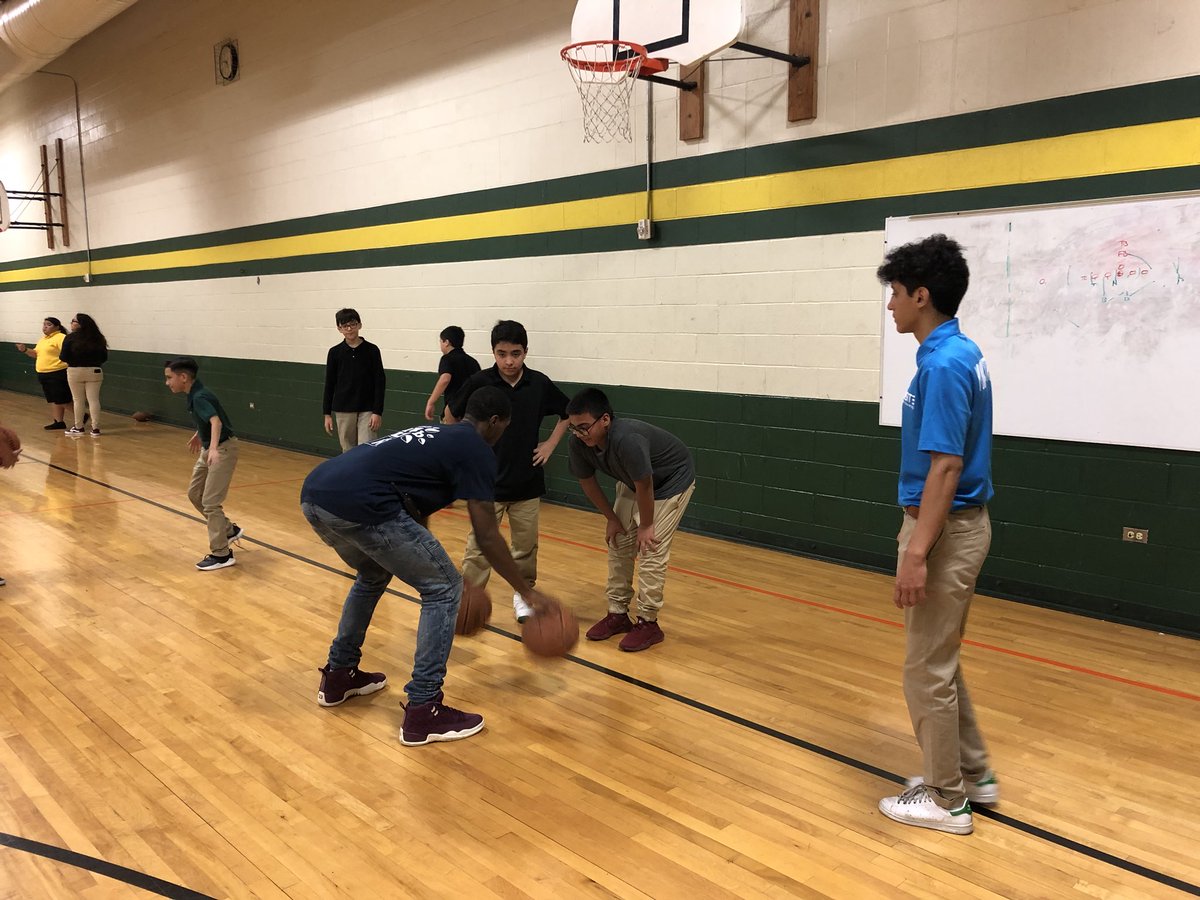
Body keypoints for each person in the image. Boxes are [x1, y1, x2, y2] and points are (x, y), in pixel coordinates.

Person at [301, 386, 557, 746]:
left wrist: (438, 564)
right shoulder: (477, 450)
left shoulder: (440, 435)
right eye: (504, 428)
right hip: (362, 503)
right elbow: (487, 534)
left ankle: (340, 674)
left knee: (373, 574)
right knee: (443, 590)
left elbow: (413, 512)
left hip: (317, 494)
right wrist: (527, 592)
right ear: (496, 422)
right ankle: (423, 711)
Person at [874, 234, 996, 836]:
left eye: (895, 294)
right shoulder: (955, 352)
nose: (890, 304)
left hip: (943, 531)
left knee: (924, 669)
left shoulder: (944, 364)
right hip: (956, 528)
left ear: (922, 295)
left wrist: (917, 552)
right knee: (938, 661)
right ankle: (972, 773)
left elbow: (945, 467)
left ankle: (947, 799)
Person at [447, 320, 569, 623]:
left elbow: (568, 412)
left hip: (526, 482)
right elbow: (451, 412)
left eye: (516, 353)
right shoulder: (479, 381)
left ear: (526, 351)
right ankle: (469, 598)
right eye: (502, 354)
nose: (509, 361)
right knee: (478, 547)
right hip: (486, 485)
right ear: (493, 352)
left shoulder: (539, 383)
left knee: (525, 546)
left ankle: (524, 596)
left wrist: (550, 444)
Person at [565, 388, 696, 652]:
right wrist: (612, 518)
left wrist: (646, 526)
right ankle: (617, 614)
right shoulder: (579, 443)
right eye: (574, 428)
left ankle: (648, 622)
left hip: (671, 481)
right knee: (618, 541)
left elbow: (645, 485)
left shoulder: (628, 439)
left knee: (650, 549)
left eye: (584, 427)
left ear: (605, 420)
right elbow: (587, 482)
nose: (579, 433)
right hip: (635, 480)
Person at [163, 357, 244, 571]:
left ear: (183, 377)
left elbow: (216, 421)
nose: (167, 382)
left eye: (169, 378)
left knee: (210, 502)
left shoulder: (200, 396)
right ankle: (228, 530)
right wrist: (199, 434)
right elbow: (208, 421)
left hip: (223, 449)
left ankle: (222, 554)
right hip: (210, 447)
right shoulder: (194, 393)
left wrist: (214, 448)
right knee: (194, 494)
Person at [323, 308, 385, 452]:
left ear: (359, 325)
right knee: (348, 451)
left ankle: (368, 475)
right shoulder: (335, 353)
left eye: (353, 324)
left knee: (368, 449)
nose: (350, 329)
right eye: (345, 326)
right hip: (343, 408)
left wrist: (377, 411)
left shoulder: (372, 350)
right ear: (339, 329)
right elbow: (330, 383)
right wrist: (327, 414)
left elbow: (380, 381)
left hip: (368, 409)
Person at [15, 317, 73, 430]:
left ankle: (82, 417)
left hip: (57, 372)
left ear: (57, 327)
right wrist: (24, 350)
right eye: (44, 324)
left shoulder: (60, 337)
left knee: (62, 399)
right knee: (54, 399)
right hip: (44, 373)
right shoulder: (43, 339)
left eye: (49, 324)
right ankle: (58, 422)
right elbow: (36, 354)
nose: (45, 327)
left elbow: (68, 352)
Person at [60, 313, 109, 437]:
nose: (71, 323)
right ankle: (95, 429)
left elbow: (63, 356)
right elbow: (104, 357)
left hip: (75, 371)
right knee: (94, 400)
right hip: (95, 371)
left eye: (74, 321)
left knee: (78, 400)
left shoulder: (70, 338)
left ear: (81, 324)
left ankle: (79, 427)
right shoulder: (99, 337)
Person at [424, 325, 481, 422]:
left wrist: (431, 402)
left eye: (441, 341)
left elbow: (445, 378)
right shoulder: (473, 362)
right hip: (472, 415)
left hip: (453, 413)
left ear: (446, 342)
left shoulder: (447, 359)